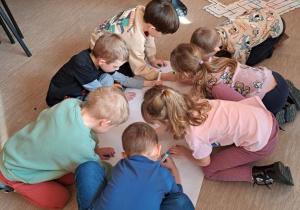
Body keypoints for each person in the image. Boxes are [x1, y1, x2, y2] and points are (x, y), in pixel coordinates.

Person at [0, 87, 129, 209]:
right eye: (112, 127)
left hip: (16, 147)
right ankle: (7, 182)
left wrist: (94, 151)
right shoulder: (79, 146)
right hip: (15, 169)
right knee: (60, 200)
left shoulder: (71, 104)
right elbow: (97, 169)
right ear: (104, 122)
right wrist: (122, 176)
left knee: (71, 177)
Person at [141, 85, 294, 188]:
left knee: (210, 172)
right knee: (218, 89)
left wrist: (186, 153)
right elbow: (170, 123)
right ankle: (280, 116)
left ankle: (264, 173)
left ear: (167, 120)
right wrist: (152, 135)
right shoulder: (194, 100)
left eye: (157, 123)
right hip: (266, 117)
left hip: (264, 144)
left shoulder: (194, 135)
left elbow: (204, 161)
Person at [74, 122, 194, 210]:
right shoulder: (164, 174)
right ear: (158, 150)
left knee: (87, 167)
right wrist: (173, 169)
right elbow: (177, 193)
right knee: (181, 200)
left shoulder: (120, 165)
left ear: (124, 155)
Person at [170, 43, 300, 124]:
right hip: (275, 78)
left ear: (186, 73)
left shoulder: (205, 85)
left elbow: (197, 102)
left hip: (270, 101)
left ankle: (276, 116)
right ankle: (287, 91)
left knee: (246, 117)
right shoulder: (214, 60)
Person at [46, 33, 161, 107]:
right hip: (64, 100)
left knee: (108, 77)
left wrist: (150, 83)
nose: (118, 69)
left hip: (84, 88)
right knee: (104, 102)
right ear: (102, 61)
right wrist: (119, 97)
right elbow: (100, 91)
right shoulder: (80, 64)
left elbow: (123, 79)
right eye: (115, 66)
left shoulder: (101, 60)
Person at [90, 0, 180, 81]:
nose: (163, 36)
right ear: (152, 27)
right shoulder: (135, 39)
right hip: (100, 49)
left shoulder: (142, 11)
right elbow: (139, 68)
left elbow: (148, 36)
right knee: (127, 73)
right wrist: (161, 76)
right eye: (163, 33)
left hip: (104, 36)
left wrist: (152, 58)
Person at [190, 8, 287, 66]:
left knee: (251, 61)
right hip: (263, 13)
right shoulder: (216, 31)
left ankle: (271, 48)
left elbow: (239, 65)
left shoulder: (237, 45)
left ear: (216, 49)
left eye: (204, 56)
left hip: (275, 27)